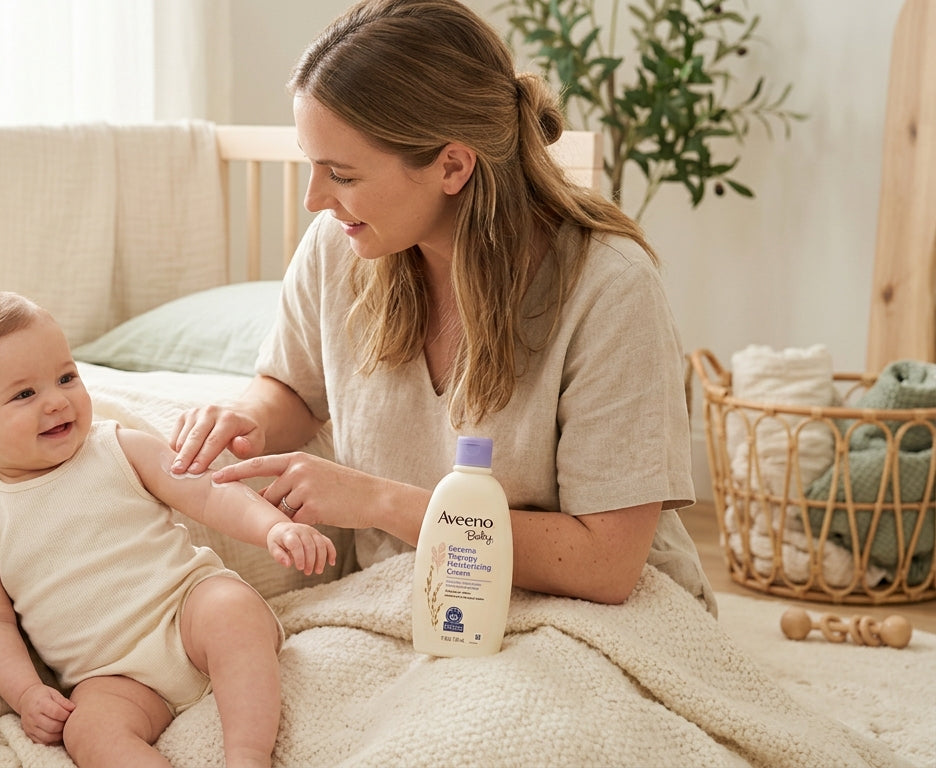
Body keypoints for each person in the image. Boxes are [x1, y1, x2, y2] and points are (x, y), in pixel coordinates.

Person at [169, 0, 714, 614]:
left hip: (580, 608)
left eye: (341, 175)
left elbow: (606, 564)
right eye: (311, 164)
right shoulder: (340, 244)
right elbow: (292, 388)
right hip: (405, 591)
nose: (314, 199)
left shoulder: (610, 288)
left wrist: (377, 502)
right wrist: (250, 421)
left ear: (452, 165)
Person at [0, 291, 337, 768]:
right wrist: (27, 692)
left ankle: (247, 755)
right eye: (24, 394)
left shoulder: (118, 448)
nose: (57, 401)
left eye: (66, 377)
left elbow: (207, 492)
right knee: (88, 731)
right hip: (111, 676)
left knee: (232, 609)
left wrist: (273, 528)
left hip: (187, 615)